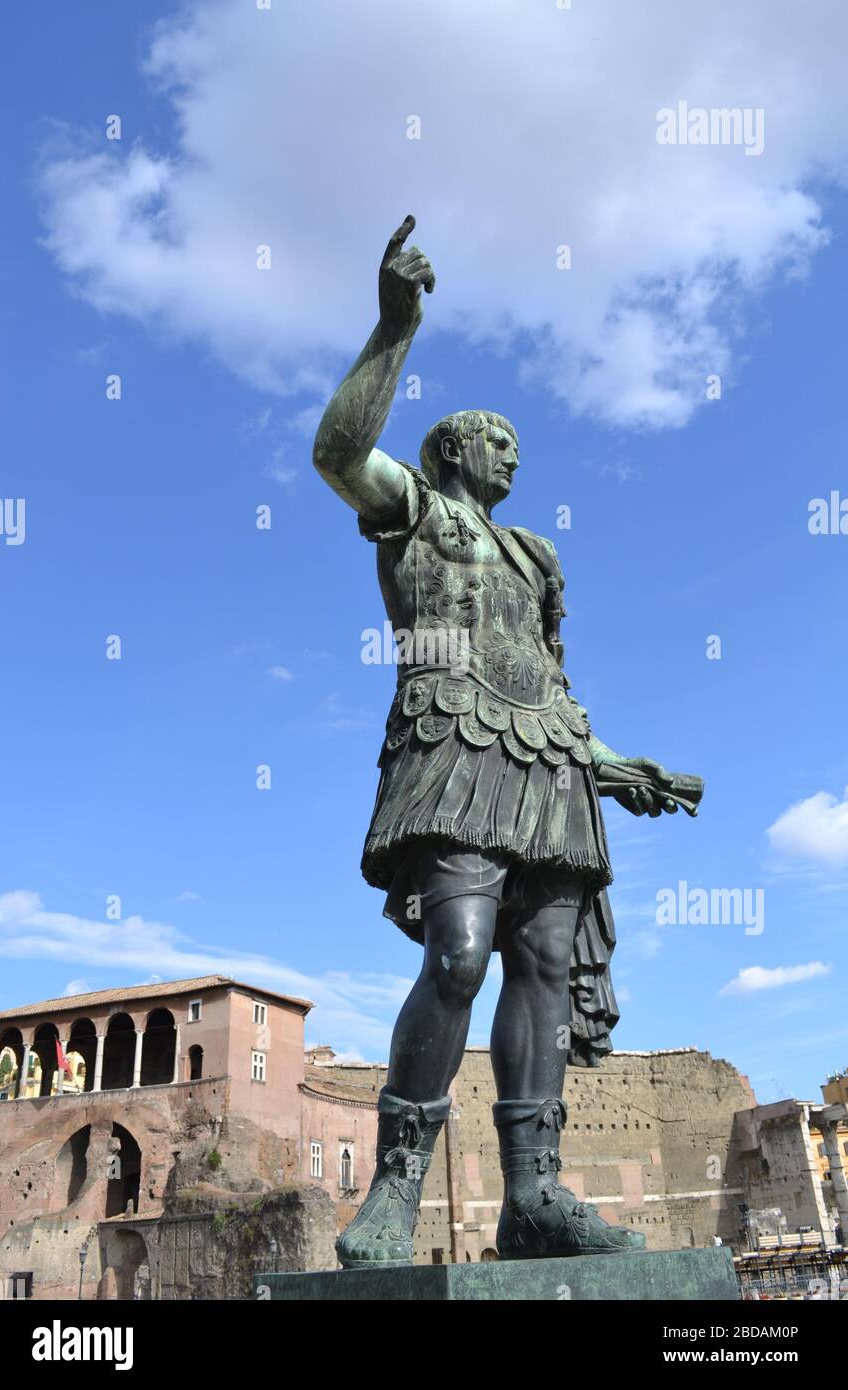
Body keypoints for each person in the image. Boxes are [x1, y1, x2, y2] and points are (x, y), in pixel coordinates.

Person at [313, 217, 702, 1267]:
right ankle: (395, 1187)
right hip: (451, 743)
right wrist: (393, 327)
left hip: (546, 760)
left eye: (516, 441)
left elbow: (551, 684)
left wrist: (619, 766)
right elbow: (336, 450)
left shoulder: (535, 555)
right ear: (448, 449)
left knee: (537, 961)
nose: (511, 448)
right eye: (493, 435)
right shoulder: (414, 510)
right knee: (459, 954)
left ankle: (532, 1193)